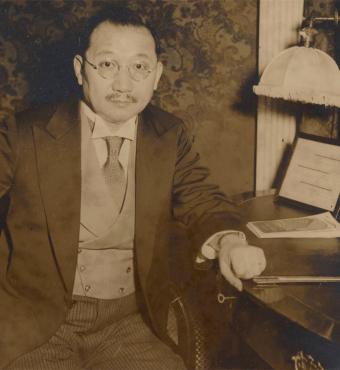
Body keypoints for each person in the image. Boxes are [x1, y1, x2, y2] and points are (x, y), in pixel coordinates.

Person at [0, 6, 266, 370]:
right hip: (38, 324)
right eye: (107, 65)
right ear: (81, 70)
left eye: (139, 67)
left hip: (130, 323)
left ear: (156, 75)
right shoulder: (25, 133)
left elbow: (203, 201)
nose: (124, 85)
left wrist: (231, 241)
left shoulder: (169, 135)